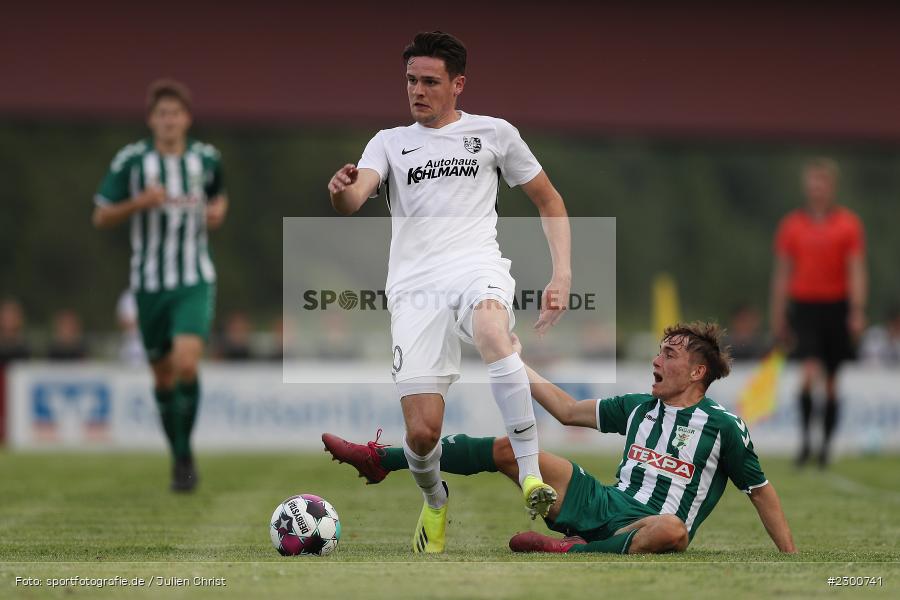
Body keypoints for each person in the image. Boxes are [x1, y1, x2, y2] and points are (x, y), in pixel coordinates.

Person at [327, 31, 571, 553]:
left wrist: (562, 275)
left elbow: (549, 200)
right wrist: (342, 191)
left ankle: (531, 476)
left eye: (430, 81)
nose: (417, 90)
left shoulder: (495, 134)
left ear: (458, 84)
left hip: (476, 267)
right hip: (415, 289)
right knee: (421, 435)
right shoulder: (389, 141)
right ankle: (435, 501)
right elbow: (355, 198)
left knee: (491, 329)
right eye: (411, 80)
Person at [324, 322, 796, 554]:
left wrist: (790, 558)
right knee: (510, 449)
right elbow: (567, 409)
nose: (657, 359)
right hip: (606, 502)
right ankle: (381, 459)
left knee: (675, 530)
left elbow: (761, 492)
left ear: (697, 371)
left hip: (648, 528)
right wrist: (509, 357)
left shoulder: (723, 426)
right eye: (658, 351)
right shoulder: (637, 407)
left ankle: (574, 549)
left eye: (669, 354)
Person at [92, 79, 228, 491]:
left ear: (187, 118)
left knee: (186, 363)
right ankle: (180, 454)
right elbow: (100, 215)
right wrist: (138, 204)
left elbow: (219, 195)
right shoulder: (133, 161)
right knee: (163, 377)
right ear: (152, 120)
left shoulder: (206, 158)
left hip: (193, 279)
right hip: (149, 284)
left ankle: (184, 458)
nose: (169, 121)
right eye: (161, 114)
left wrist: (218, 212)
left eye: (176, 113)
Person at [770, 158, 866, 468]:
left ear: (831, 187)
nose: (817, 189)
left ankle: (825, 446)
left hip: (836, 306)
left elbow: (856, 269)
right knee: (809, 372)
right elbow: (783, 272)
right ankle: (805, 442)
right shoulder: (792, 225)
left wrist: (856, 309)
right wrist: (779, 312)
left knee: (832, 380)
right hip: (805, 306)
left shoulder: (848, 224)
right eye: (812, 183)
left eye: (821, 183)